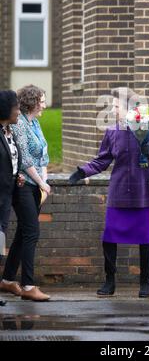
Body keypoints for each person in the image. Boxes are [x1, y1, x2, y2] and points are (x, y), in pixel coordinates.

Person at [69, 87, 149, 298]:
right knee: (110, 236)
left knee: (144, 239)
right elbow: (102, 160)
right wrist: (82, 172)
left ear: (130, 108)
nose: (113, 110)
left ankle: (145, 282)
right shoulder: (112, 131)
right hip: (118, 192)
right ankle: (110, 280)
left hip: (142, 191)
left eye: (116, 106)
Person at [0, 85, 51, 302]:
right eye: (42, 100)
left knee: (23, 233)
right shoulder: (19, 124)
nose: (45, 105)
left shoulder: (36, 123)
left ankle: (8, 280)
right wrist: (40, 182)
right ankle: (28, 285)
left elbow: (43, 156)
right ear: (32, 101)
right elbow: (25, 159)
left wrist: (44, 183)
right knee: (32, 232)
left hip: (36, 187)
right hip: (24, 187)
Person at [0, 91, 23, 306]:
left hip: (5, 199)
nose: (18, 110)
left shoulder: (8, 132)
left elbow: (11, 161)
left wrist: (17, 175)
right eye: (16, 107)